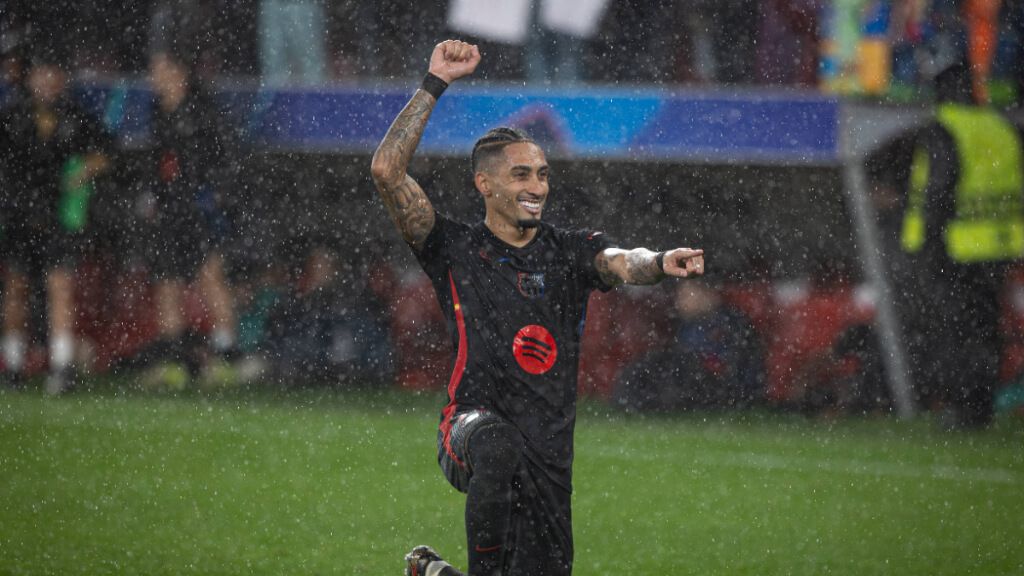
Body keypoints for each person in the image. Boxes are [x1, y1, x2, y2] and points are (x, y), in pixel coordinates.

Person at [371, 40, 705, 576]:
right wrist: (434, 83)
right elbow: (388, 171)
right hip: (468, 426)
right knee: (498, 445)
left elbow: (620, 260)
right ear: (484, 184)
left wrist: (660, 260)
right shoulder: (453, 247)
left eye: (543, 174)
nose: (537, 187)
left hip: (549, 451)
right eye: (521, 175)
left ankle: (432, 573)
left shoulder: (568, 252)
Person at [898, 49, 1024, 429]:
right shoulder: (999, 126)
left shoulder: (945, 127)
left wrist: (927, 245)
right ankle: (980, 407)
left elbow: (939, 191)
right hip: (1000, 245)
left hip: (956, 246)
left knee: (955, 331)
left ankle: (962, 409)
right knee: (985, 328)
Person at [0, 50, 114, 393]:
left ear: (62, 81)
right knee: (17, 289)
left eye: (53, 76)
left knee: (60, 288)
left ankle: (61, 369)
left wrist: (81, 174)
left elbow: (106, 153)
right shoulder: (12, 117)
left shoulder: (76, 118)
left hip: (59, 215)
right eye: (41, 75)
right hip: (19, 214)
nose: (47, 83)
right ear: (30, 79)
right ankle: (14, 367)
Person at [133, 51, 238, 388]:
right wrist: (152, 195)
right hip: (168, 211)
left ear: (178, 73)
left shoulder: (201, 112)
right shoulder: (158, 112)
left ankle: (225, 357)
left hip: (197, 208)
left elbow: (223, 157)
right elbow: (157, 160)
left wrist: (213, 195)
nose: (153, 78)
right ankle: (175, 361)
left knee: (210, 277)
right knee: (167, 284)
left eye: (159, 70)